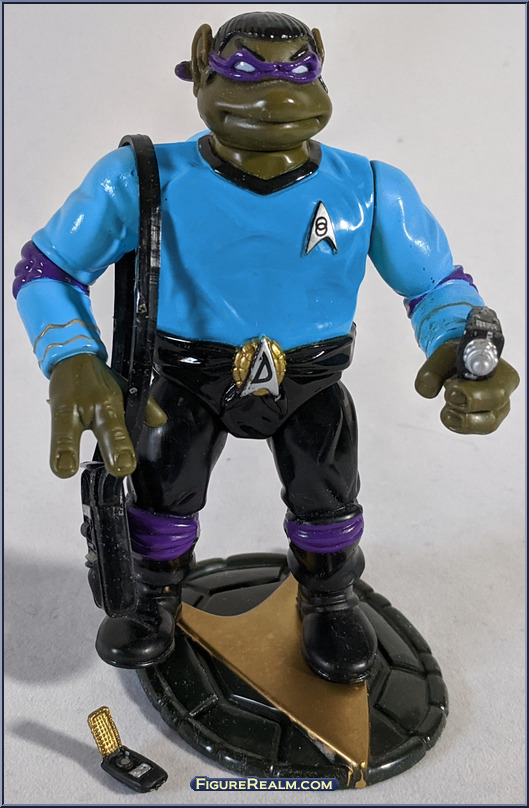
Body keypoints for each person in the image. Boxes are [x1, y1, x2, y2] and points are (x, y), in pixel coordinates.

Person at [13, 12, 519, 683]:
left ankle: (329, 597)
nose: (275, 95)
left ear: (321, 73)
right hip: (186, 378)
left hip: (311, 381)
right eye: (246, 69)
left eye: (298, 70)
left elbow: (435, 284)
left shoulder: (369, 189)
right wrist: (73, 357)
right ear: (202, 66)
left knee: (326, 495)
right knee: (162, 488)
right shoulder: (139, 178)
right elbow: (47, 267)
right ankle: (154, 595)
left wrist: (465, 342)